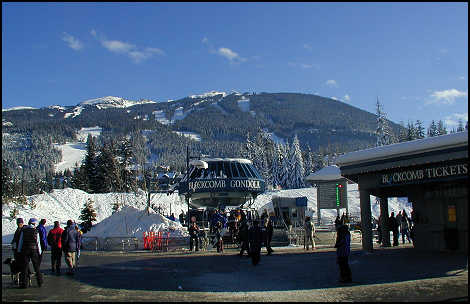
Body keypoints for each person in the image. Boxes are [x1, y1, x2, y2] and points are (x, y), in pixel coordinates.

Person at [17, 218, 44, 288]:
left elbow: (21, 241)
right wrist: (40, 252)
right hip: (34, 250)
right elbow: (38, 243)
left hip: (25, 250)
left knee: (25, 267)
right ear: (34, 224)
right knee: (36, 266)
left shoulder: (24, 230)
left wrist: (19, 250)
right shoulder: (36, 231)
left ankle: (24, 283)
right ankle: (40, 282)